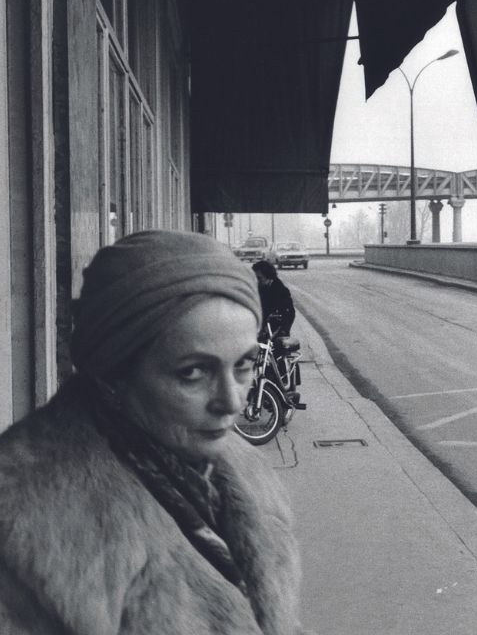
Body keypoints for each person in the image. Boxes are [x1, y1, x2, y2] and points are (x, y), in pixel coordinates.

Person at [0, 230, 304, 634]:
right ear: (114, 373)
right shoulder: (22, 521)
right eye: (193, 373)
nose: (231, 402)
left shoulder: (246, 477)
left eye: (243, 366)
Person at [252, 260, 296, 338]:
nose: (257, 281)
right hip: (263, 328)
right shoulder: (260, 287)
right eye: (255, 278)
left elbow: (289, 313)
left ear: (268, 276)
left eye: (259, 278)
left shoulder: (281, 290)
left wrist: (283, 331)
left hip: (276, 330)